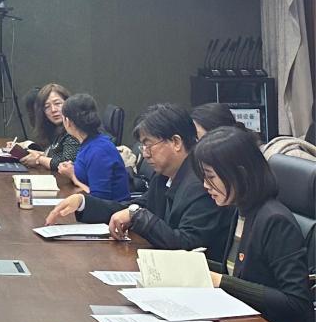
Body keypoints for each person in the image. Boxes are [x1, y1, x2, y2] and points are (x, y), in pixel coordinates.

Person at [45, 103, 235, 262]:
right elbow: (135, 207)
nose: (144, 153)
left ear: (176, 142)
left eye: (148, 144)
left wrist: (137, 215)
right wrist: (83, 203)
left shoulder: (201, 183)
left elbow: (187, 244)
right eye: (142, 145)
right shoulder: (164, 176)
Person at [192, 127, 313, 322]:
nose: (205, 185)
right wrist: (192, 264)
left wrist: (221, 281)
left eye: (211, 177)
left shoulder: (275, 220)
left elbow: (296, 302)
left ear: (240, 174)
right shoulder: (241, 211)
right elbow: (238, 271)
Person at [55, 94, 130, 201]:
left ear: (67, 121)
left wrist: (73, 177)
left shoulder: (98, 151)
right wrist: (73, 168)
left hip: (112, 210)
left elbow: (99, 200)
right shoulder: (89, 143)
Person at [17, 84, 80, 171]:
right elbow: (56, 155)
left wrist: (39, 159)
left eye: (57, 103)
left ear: (68, 103)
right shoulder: (56, 128)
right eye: (47, 107)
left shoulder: (74, 128)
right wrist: (37, 154)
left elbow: (66, 163)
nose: (53, 110)